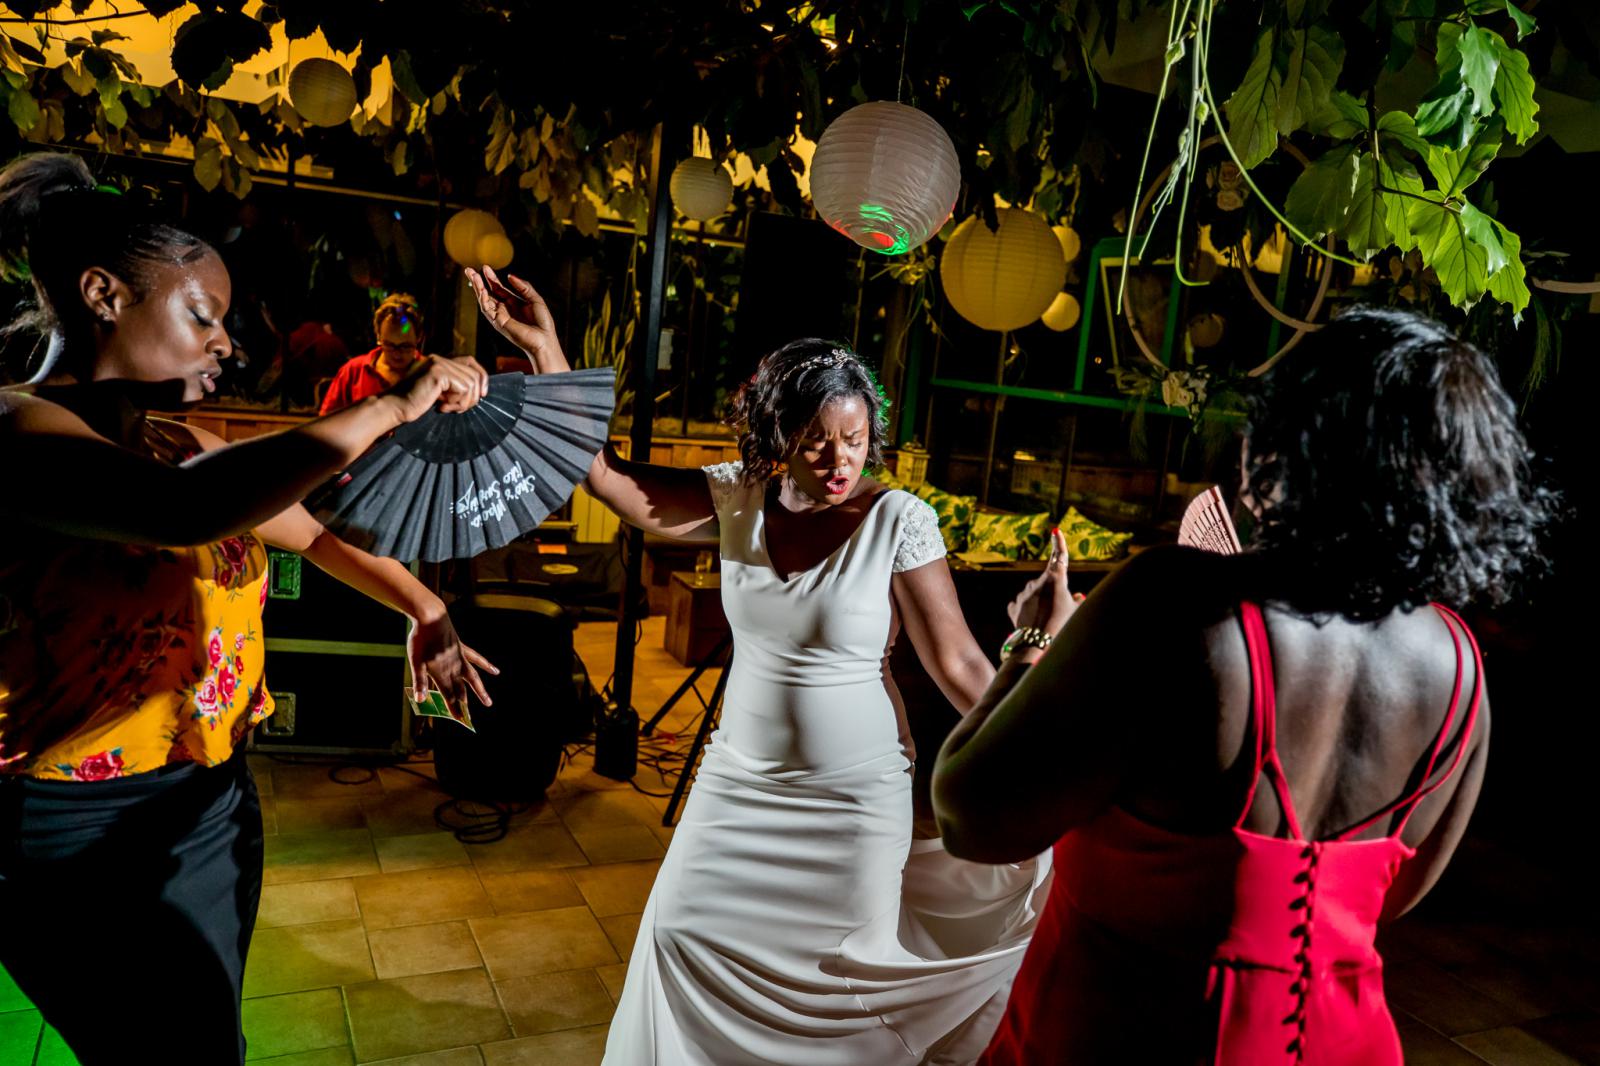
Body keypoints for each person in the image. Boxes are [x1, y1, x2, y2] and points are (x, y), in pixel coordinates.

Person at [931, 306, 1554, 1064]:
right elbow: (1395, 897)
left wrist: (1032, 644)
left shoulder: (1177, 605)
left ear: (1291, 446)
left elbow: (973, 816)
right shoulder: (1458, 665)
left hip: (1124, 1031)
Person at [467, 267, 1050, 1065]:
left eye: (854, 439)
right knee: (675, 938)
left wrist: (1045, 710)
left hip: (851, 806)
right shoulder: (737, 498)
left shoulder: (898, 520)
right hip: (735, 787)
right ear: (778, 436)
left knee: (835, 993)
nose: (838, 458)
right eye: (816, 440)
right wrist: (548, 351)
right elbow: (605, 478)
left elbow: (956, 665)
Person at [0, 152, 497, 1065]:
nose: (226, 343)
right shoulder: (17, 429)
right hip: (74, 826)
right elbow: (180, 513)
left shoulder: (181, 440)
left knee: (205, 1038)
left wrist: (424, 607)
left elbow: (309, 536)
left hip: (211, 796)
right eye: (202, 316)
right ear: (103, 294)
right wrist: (391, 404)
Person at [318, 292, 430, 414]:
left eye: (405, 346)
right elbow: (327, 419)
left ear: (419, 338)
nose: (397, 354)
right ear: (378, 336)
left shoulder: (430, 373)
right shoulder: (353, 371)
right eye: (389, 345)